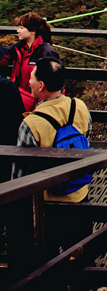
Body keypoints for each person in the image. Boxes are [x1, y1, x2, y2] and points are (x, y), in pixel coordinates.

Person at [17, 57, 92, 202]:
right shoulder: (80, 106)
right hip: (80, 195)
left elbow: (21, 173)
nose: (29, 82)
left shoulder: (30, 124)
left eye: (31, 77)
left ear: (40, 85)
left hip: (46, 203)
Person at [0, 12, 59, 111]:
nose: (18, 31)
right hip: (20, 99)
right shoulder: (20, 47)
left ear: (32, 31)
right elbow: (3, 57)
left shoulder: (46, 51)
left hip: (37, 104)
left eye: (22, 28)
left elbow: (52, 82)